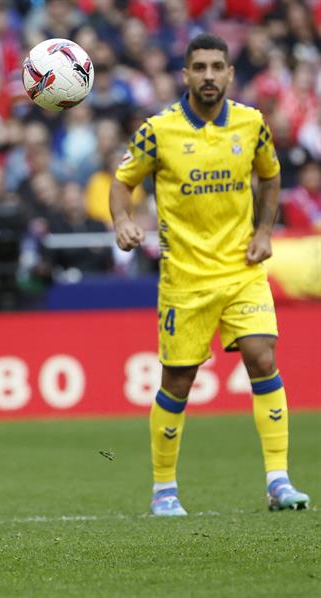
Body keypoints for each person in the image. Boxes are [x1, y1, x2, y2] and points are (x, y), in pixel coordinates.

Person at [110, 33, 310, 517]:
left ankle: (279, 480)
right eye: (199, 67)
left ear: (229, 73)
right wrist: (122, 220)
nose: (208, 76)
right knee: (178, 382)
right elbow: (124, 181)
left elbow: (271, 174)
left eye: (217, 67)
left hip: (242, 270)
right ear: (185, 74)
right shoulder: (158, 130)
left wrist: (265, 230)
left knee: (263, 358)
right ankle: (163, 489)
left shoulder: (251, 123)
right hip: (185, 279)